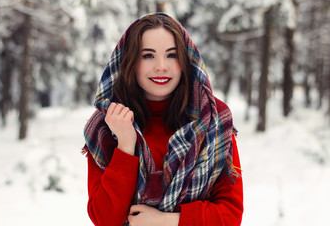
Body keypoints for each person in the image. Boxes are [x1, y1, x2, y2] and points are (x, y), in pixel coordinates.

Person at [82, 12, 243, 226]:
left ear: (185, 61)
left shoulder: (213, 120)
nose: (161, 66)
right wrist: (126, 145)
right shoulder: (107, 123)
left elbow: (230, 215)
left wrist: (167, 221)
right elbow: (105, 219)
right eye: (148, 55)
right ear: (130, 61)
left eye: (172, 55)